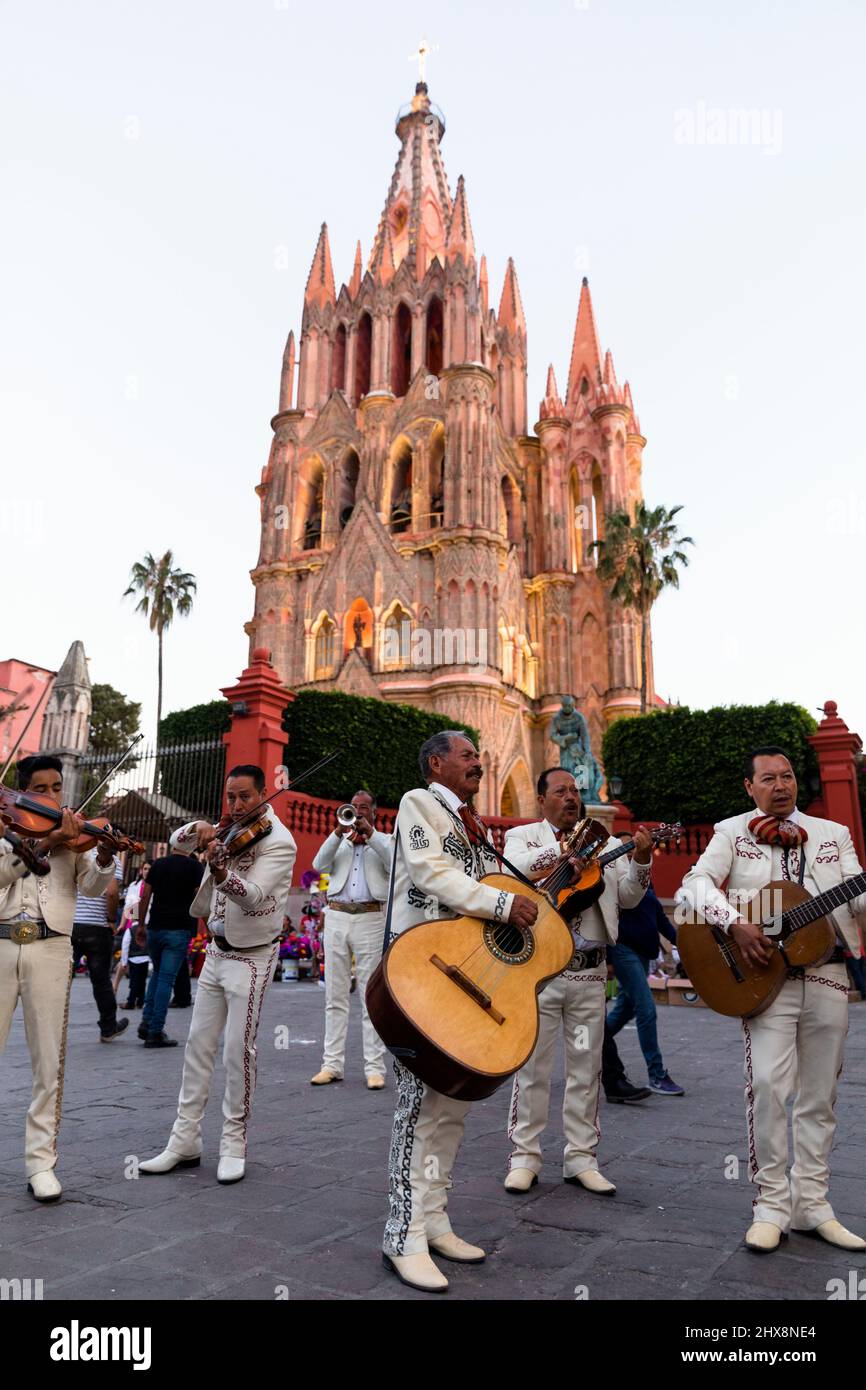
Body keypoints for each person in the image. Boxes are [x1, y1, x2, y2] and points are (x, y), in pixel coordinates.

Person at [677, 745, 866, 1254]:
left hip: (826, 973)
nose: (780, 785)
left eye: (787, 776)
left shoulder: (834, 836)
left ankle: (814, 1205)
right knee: (766, 1085)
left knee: (820, 1096)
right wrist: (735, 924)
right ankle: (770, 1206)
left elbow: (856, 897)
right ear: (749, 786)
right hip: (764, 980)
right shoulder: (730, 833)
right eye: (768, 778)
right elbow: (694, 884)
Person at [381, 731, 539, 1294]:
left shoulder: (472, 824)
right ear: (436, 763)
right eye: (468, 755)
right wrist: (502, 902)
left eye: (479, 755)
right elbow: (431, 873)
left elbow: (481, 885)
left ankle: (434, 1217)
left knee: (451, 1107)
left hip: (461, 975)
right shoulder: (419, 803)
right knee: (417, 1106)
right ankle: (402, 1234)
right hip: (420, 972)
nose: (479, 762)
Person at [140, 765, 296, 1184]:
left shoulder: (279, 841)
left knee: (237, 1051)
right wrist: (203, 827)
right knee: (197, 1047)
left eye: (245, 796)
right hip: (215, 951)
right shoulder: (226, 829)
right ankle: (184, 1140)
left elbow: (255, 895)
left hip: (253, 956)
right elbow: (176, 841)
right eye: (231, 797)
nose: (237, 805)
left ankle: (233, 1143)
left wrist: (223, 872)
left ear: (264, 793)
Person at [502, 769, 653, 1196]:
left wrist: (640, 860)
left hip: (590, 974)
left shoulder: (606, 844)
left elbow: (627, 897)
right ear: (541, 798)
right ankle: (524, 1158)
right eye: (560, 791)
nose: (571, 797)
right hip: (540, 974)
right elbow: (518, 872)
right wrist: (568, 848)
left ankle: (582, 1158)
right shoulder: (524, 837)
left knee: (587, 1070)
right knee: (533, 1070)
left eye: (575, 791)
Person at [0, 754, 117, 1202]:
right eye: (41, 789)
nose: (50, 798)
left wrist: (103, 854)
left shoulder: (75, 832)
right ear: (21, 791)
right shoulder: (6, 825)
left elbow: (91, 887)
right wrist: (44, 845)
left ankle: (40, 1163)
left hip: (52, 946)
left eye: (56, 789)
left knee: (48, 1063)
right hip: (2, 941)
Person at [310, 789, 392, 1090]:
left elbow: (395, 861)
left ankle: (374, 1067)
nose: (356, 813)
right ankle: (331, 1065)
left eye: (363, 808)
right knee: (334, 995)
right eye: (352, 808)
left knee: (370, 996)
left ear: (374, 812)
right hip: (336, 915)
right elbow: (319, 865)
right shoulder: (340, 840)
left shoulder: (383, 840)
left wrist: (370, 835)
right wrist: (337, 833)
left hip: (370, 917)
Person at [607, 836, 684, 1096]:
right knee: (646, 1008)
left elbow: (659, 917)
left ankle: (590, 1050)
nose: (631, 852)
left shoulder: (645, 877)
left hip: (643, 953)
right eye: (626, 848)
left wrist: (681, 942)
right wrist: (608, 959)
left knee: (622, 1012)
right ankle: (657, 1074)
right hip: (623, 950)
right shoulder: (615, 880)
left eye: (634, 847)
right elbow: (605, 917)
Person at [136, 844, 204, 1047]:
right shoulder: (194, 867)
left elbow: (145, 895)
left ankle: (146, 1021)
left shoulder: (158, 864)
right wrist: (208, 925)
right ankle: (156, 1030)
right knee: (166, 979)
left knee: (157, 975)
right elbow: (201, 898)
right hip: (179, 928)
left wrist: (141, 925)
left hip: (156, 926)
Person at [71, 858, 128, 1042]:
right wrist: (111, 919)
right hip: (97, 926)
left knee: (61, 979)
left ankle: (51, 1026)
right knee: (101, 981)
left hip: (70, 924)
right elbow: (112, 893)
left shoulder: (75, 853)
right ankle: (108, 1027)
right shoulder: (109, 858)